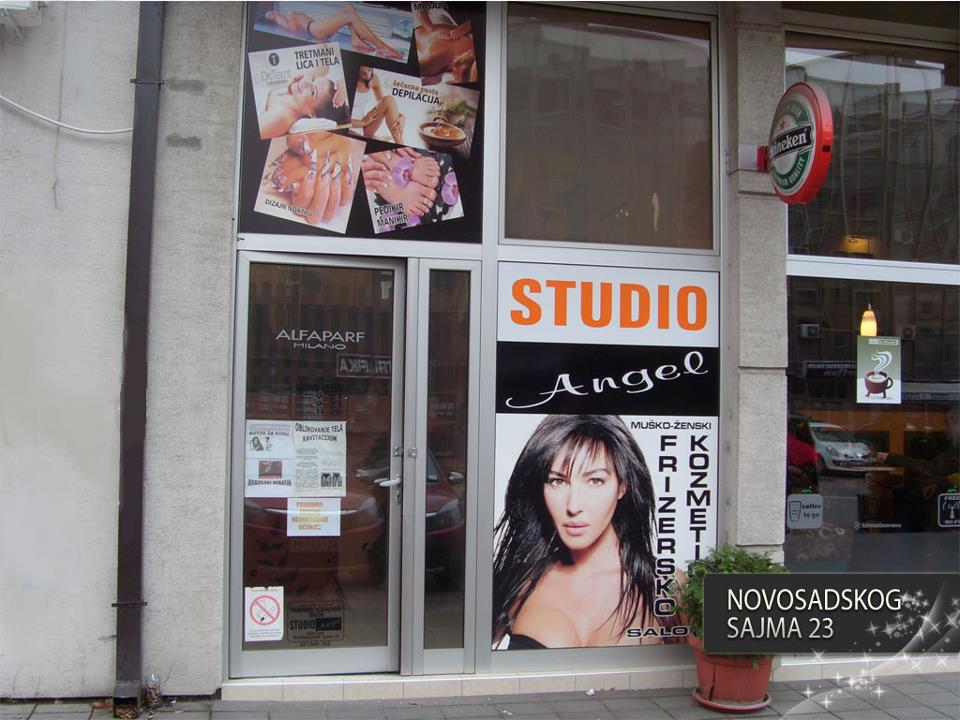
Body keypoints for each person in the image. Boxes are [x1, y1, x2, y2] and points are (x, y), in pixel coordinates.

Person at [492, 415, 667, 649]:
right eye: (557, 481)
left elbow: (715, 660)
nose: (573, 506)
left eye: (595, 481)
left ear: (622, 486)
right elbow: (467, 659)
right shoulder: (520, 581)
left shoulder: (666, 585)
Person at [264, 6, 404, 60]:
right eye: (269, 15)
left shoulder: (287, 15)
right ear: (271, 19)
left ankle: (356, 39)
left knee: (349, 8)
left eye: (270, 12)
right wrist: (278, 18)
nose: (271, 13)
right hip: (314, 29)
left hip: (317, 26)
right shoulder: (282, 21)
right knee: (349, 16)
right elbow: (293, 30)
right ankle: (382, 46)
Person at [258, 66, 349, 140]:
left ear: (312, 115)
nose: (306, 83)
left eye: (313, 91)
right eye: (313, 78)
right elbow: (324, 59)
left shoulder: (282, 117)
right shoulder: (289, 95)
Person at [414, 8, 478, 84]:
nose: (455, 77)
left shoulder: (433, 61)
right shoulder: (434, 59)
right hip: (432, 21)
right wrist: (431, 28)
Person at [351, 66, 405, 144]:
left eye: (370, 70)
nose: (368, 75)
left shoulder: (373, 79)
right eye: (363, 73)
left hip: (364, 127)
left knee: (389, 99)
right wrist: (363, 122)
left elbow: (385, 104)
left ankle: (401, 144)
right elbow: (341, 120)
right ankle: (374, 138)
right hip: (350, 127)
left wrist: (402, 117)